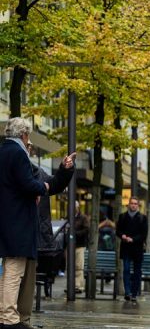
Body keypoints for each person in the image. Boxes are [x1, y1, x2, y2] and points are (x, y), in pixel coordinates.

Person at [17, 143, 75, 327]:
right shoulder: (11, 170)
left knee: (27, 281)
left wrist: (64, 169)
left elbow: (55, 184)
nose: (29, 150)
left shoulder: (36, 171)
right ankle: (9, 318)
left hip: (33, 235)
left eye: (29, 148)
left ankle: (23, 320)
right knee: (11, 278)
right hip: (14, 233)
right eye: (27, 146)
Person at [0, 117, 50, 328]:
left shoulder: (2, 151)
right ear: (24, 134)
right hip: (17, 221)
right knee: (14, 271)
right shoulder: (18, 153)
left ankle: (5, 314)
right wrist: (43, 187)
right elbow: (27, 183)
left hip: (5, 218)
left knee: (7, 270)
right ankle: (8, 318)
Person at [117, 197, 148, 303]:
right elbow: (118, 231)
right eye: (132, 203)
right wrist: (123, 236)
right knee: (126, 270)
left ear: (138, 205)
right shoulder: (122, 217)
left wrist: (133, 239)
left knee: (137, 272)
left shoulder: (143, 218)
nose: (133, 205)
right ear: (128, 204)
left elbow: (144, 234)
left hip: (137, 248)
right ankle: (127, 292)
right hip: (126, 248)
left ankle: (134, 293)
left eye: (135, 203)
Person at [73, 201, 89, 293]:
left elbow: (86, 229)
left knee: (79, 266)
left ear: (78, 207)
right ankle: (71, 284)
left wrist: (75, 233)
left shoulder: (83, 218)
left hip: (80, 245)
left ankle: (78, 286)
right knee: (70, 266)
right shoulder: (69, 217)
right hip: (71, 245)